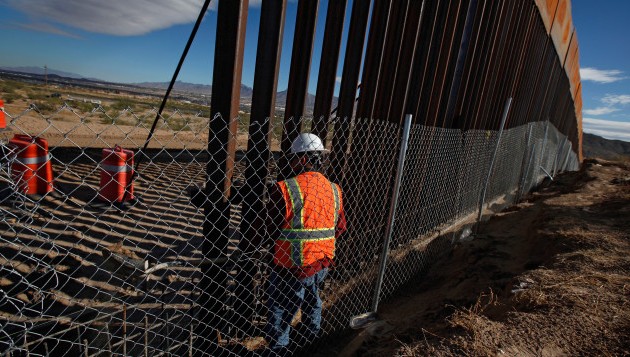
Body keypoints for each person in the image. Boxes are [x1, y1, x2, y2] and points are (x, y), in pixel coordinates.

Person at [263, 133, 346, 353]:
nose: (290, 163)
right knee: (312, 300)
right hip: (322, 262)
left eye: (292, 158)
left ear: (301, 159)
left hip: (292, 266)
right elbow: (340, 227)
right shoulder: (334, 189)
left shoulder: (285, 188)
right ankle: (311, 339)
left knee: (281, 309)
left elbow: (269, 229)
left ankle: (279, 350)